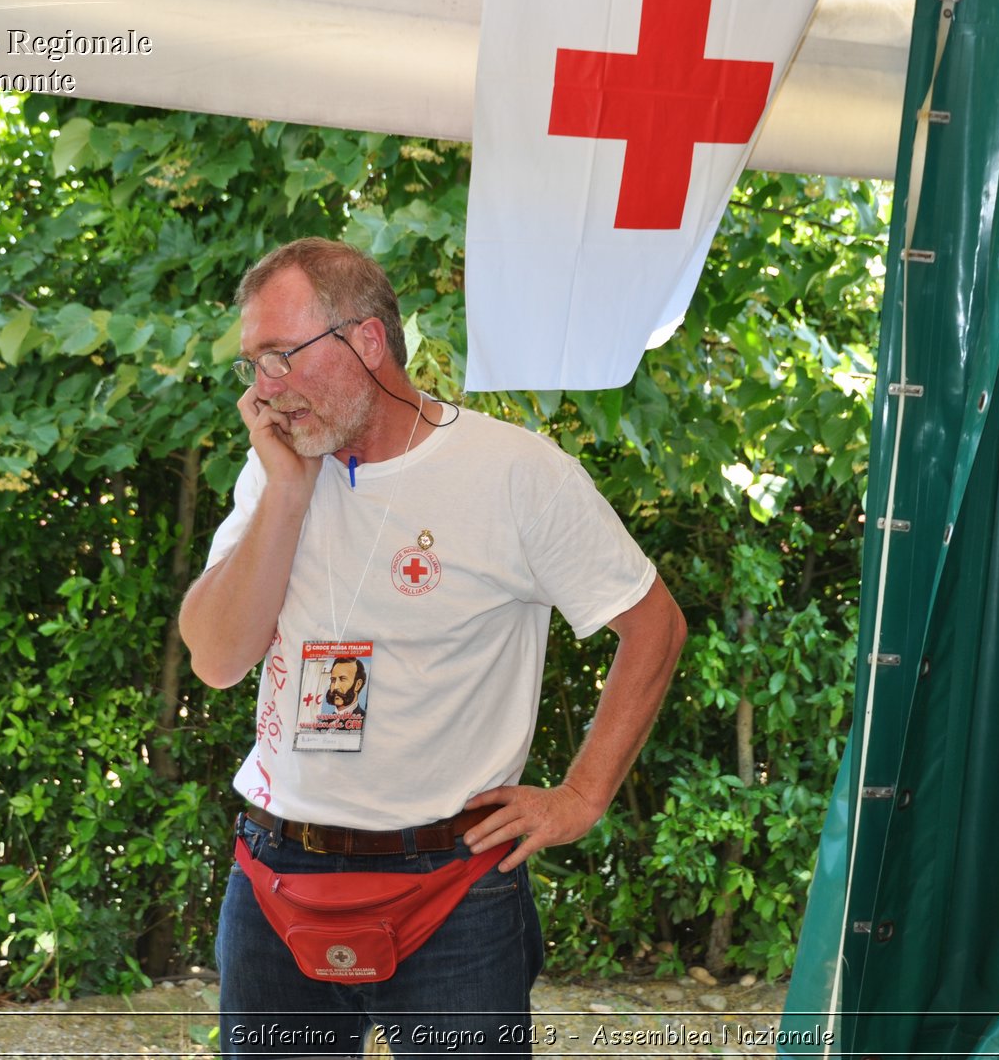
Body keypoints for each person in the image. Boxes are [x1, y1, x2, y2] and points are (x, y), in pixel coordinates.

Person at [179, 237, 685, 1057]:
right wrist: (285, 495)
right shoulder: (275, 469)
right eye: (254, 365)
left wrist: (582, 796)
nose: (265, 390)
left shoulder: (516, 474)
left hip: (452, 888)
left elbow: (653, 624)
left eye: (282, 356)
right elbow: (215, 657)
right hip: (276, 877)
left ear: (367, 342)